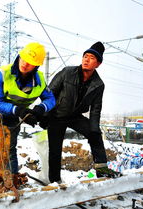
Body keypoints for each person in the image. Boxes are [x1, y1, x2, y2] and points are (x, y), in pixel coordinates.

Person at [0, 42, 55, 179]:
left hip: (13, 113)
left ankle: (12, 179)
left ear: (36, 66)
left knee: (10, 148)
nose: (25, 64)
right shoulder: (3, 73)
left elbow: (51, 100)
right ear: (19, 56)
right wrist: (19, 111)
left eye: (30, 63)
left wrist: (39, 109)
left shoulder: (40, 81)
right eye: (23, 59)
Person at [45, 41, 118, 183]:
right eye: (85, 56)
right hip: (57, 114)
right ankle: (55, 181)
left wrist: (94, 128)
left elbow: (96, 109)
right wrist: (45, 114)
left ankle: (102, 171)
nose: (86, 60)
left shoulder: (98, 84)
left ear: (98, 64)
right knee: (55, 150)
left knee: (95, 135)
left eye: (91, 58)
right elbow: (49, 93)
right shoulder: (67, 72)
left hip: (75, 117)